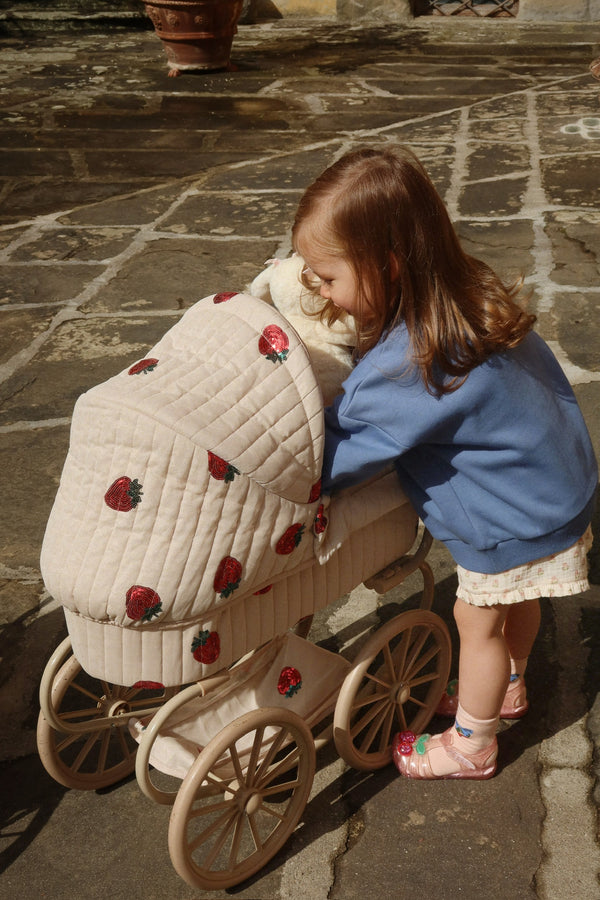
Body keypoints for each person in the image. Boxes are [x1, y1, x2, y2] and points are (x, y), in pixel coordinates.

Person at [291, 146, 598, 780]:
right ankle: (507, 688)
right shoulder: (466, 293)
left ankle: (472, 745)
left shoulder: (412, 362)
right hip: (556, 491)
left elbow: (339, 455)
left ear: (389, 266)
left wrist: (296, 471)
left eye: (327, 277)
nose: (317, 289)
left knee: (474, 620)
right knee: (519, 599)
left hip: (506, 517)